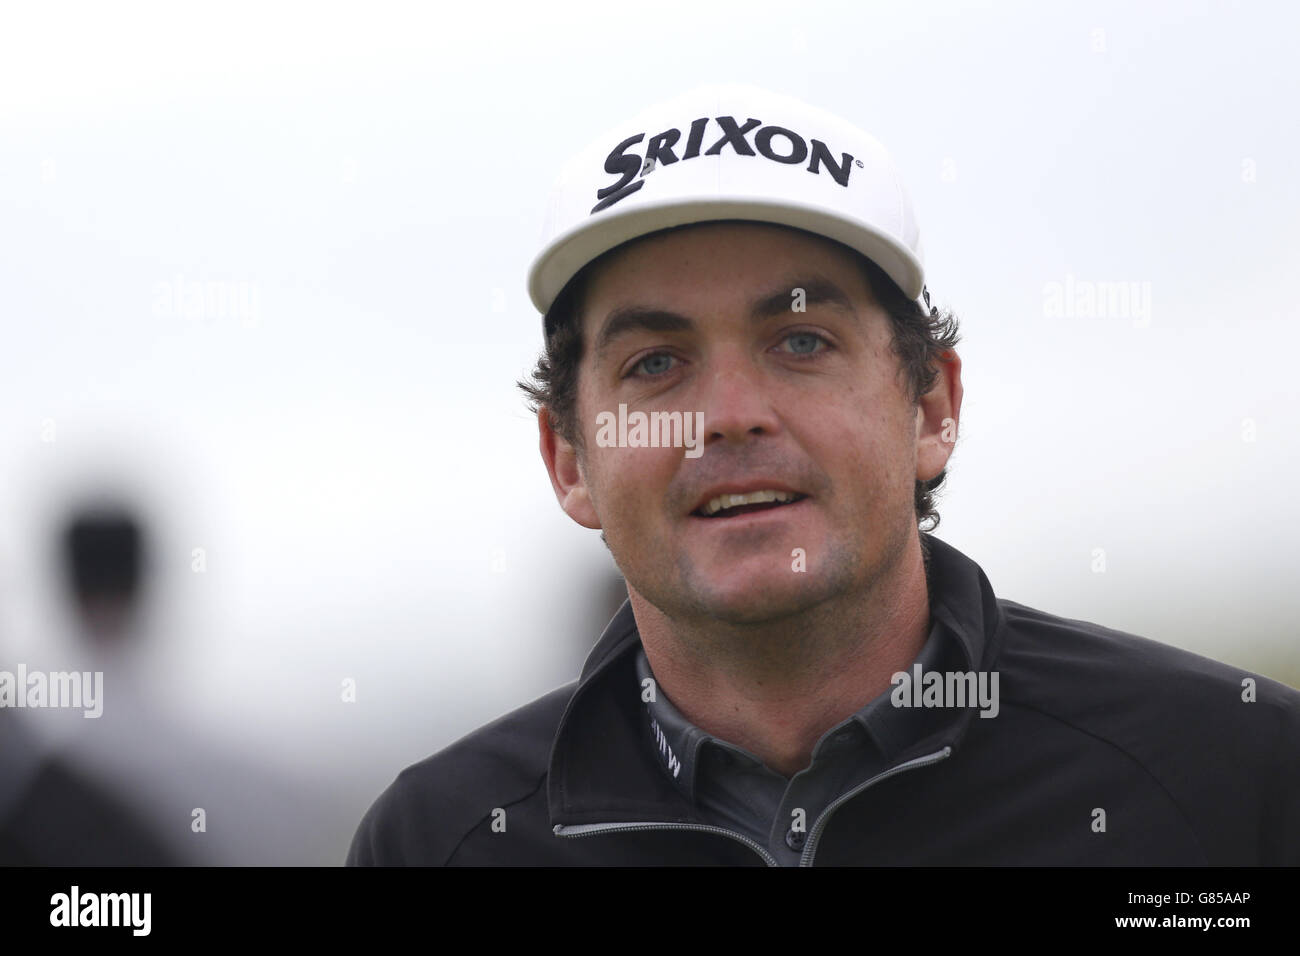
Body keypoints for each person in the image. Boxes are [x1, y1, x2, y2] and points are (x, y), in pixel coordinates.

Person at [347, 83, 1300, 866]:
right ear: (570, 461)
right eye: (654, 365)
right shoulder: (438, 843)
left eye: (801, 341)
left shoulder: (1233, 779)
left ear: (930, 407)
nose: (727, 414)